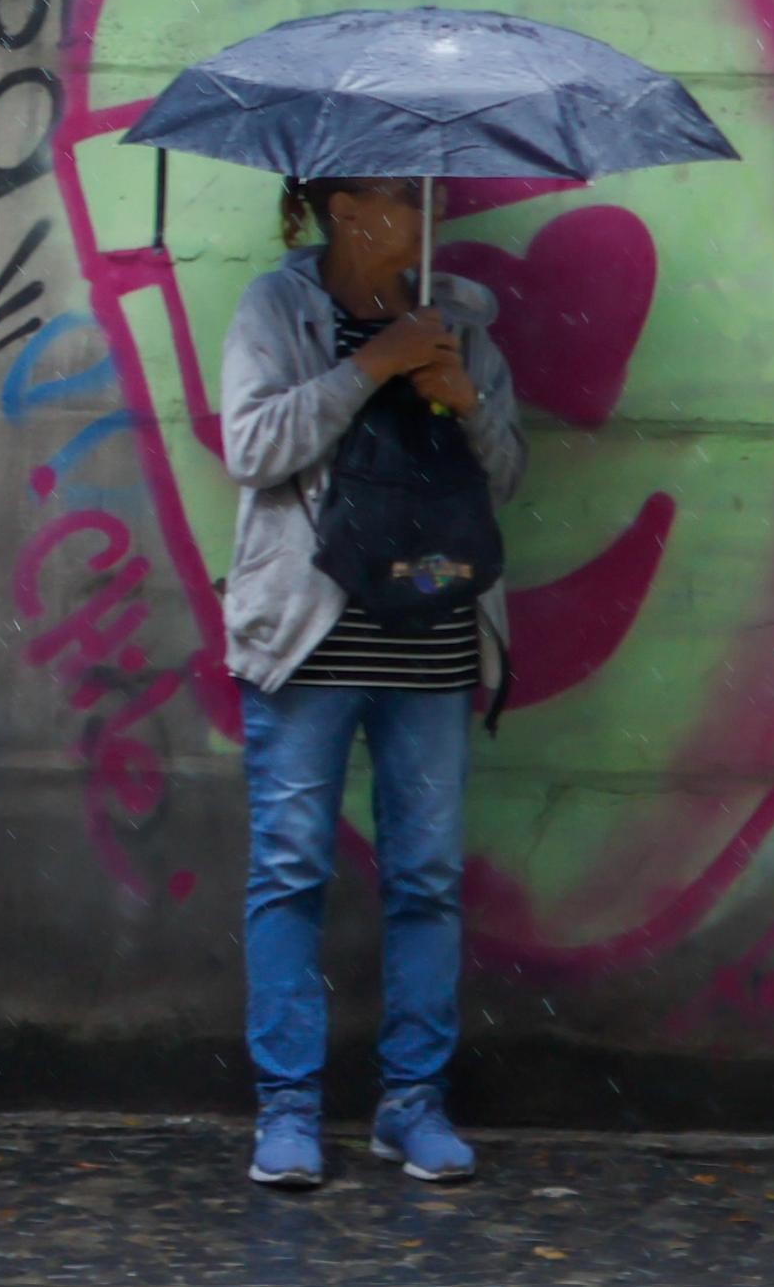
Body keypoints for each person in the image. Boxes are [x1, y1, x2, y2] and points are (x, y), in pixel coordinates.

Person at [216, 173, 522, 1191]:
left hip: (430, 641)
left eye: (424, 196)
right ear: (343, 207)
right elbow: (251, 447)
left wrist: (462, 396)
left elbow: (509, 472)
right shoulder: (276, 311)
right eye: (400, 196)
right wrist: (368, 369)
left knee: (426, 878)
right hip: (309, 644)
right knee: (290, 868)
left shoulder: (460, 321)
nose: (423, 215)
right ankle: (287, 1112)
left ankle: (410, 1105)